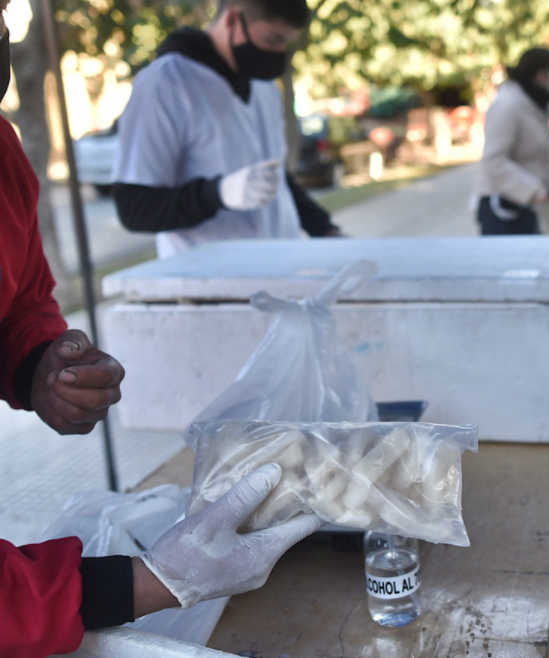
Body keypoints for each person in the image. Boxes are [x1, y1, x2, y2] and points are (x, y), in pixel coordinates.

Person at [0, 13, 320, 656]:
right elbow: (137, 203)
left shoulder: (2, 153)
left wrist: (39, 364)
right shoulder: (167, 83)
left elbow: (23, 296)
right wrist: (147, 582)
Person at [112, 0, 341, 260]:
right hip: (209, 284)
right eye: (272, 39)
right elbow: (134, 208)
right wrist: (217, 194)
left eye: (286, 42)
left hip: (281, 270)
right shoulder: (165, 84)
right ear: (233, 21)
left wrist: (325, 229)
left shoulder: (263, 86)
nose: (279, 51)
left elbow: (276, 180)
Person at [474, 47, 549, 236]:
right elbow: (493, 161)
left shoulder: (535, 103)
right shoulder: (507, 105)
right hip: (502, 209)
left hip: (526, 206)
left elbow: (538, 153)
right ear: (539, 74)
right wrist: (532, 190)